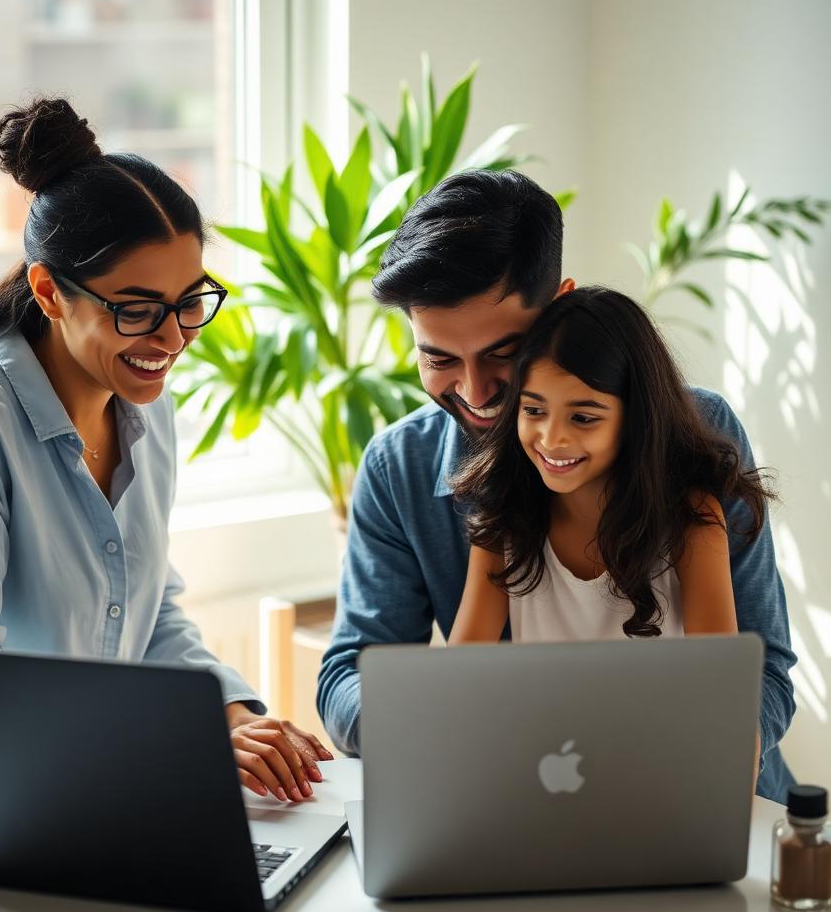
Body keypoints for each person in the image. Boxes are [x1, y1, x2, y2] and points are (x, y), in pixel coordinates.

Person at [0, 97, 330, 803]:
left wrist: (234, 716)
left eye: (191, 301)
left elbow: (146, 611)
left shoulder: (144, 414)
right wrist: (182, 741)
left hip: (68, 787)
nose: (173, 338)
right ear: (50, 291)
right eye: (136, 309)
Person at [317, 169, 796, 800]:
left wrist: (703, 754)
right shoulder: (398, 468)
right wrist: (442, 725)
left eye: (501, 352)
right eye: (438, 358)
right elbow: (349, 677)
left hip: (702, 800)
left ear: (561, 306)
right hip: (511, 803)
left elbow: (758, 670)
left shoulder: (697, 435)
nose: (476, 391)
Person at [447, 286, 773, 778]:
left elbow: (722, 707)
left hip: (662, 786)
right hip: (543, 783)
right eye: (533, 410)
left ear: (634, 418)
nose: (552, 438)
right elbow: (454, 686)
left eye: (583, 417)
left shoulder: (691, 520)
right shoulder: (504, 525)